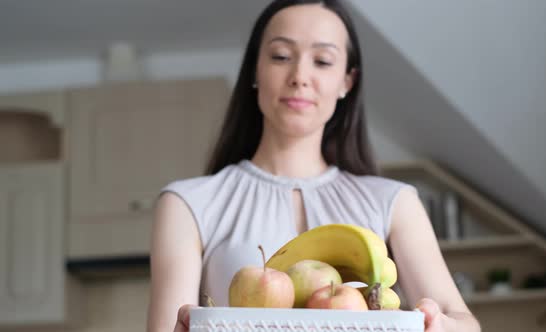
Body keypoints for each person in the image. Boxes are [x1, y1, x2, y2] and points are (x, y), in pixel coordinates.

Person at [147, 1, 481, 331]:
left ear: (346, 82)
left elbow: (461, 319)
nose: (299, 76)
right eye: (281, 56)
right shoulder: (187, 203)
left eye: (322, 61)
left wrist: (440, 324)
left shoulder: (395, 202)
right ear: (254, 71)